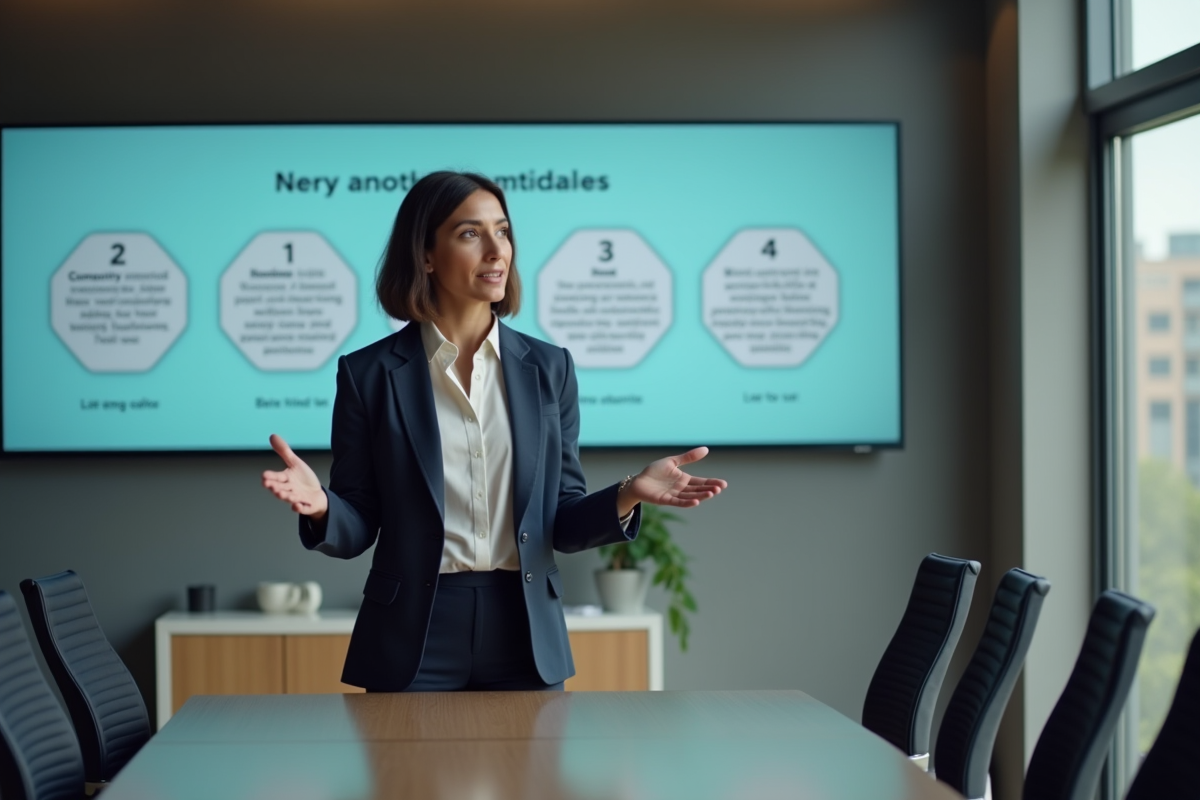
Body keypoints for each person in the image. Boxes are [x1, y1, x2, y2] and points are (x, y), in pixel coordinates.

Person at [262, 171, 726, 692]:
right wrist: (323, 507)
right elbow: (360, 522)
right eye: (469, 233)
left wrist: (627, 494)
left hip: (525, 629)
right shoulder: (367, 374)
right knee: (403, 777)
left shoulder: (551, 369)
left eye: (502, 231)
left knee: (529, 777)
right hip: (412, 633)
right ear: (426, 255)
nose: (496, 250)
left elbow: (563, 522)